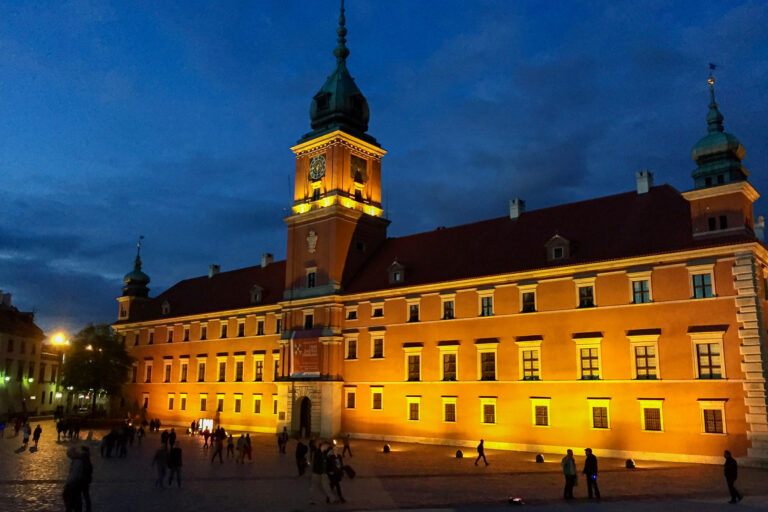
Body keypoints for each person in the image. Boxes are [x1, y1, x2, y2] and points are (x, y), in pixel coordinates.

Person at [63, 445, 84, 512]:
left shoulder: (77, 462)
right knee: (75, 501)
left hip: (74, 485)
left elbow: (74, 475)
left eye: (69, 455)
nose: (68, 456)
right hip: (75, 484)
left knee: (72, 501)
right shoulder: (76, 460)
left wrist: (68, 484)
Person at [80, 446, 93, 512]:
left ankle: (87, 508)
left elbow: (88, 469)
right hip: (86, 480)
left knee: (84, 495)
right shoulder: (86, 457)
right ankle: (88, 507)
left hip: (83, 480)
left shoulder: (84, 458)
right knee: (86, 494)